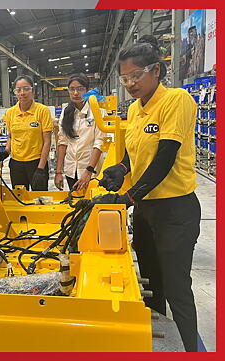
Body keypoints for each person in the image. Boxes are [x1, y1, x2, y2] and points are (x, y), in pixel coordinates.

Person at [95, 35, 201, 352]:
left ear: (156, 70)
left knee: (176, 286)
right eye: (125, 78)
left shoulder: (176, 101)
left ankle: (191, 349)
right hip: (146, 210)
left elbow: (165, 156)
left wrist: (129, 197)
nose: (129, 83)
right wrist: (121, 170)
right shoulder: (136, 111)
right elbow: (134, 154)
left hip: (175, 211)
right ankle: (163, 344)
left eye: (136, 75)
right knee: (151, 285)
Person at [54, 74, 107, 191]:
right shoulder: (66, 112)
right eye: (72, 89)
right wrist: (58, 172)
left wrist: (88, 171)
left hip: (91, 171)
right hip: (71, 170)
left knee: (90, 204)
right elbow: (62, 143)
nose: (76, 93)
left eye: (80, 89)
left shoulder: (98, 112)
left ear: (87, 90)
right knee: (75, 203)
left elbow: (99, 143)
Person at [2, 75, 53, 191]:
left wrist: (41, 168)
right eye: (18, 90)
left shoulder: (42, 111)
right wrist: (6, 150)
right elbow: (11, 135)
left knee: (40, 200)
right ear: (15, 93)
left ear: (32, 91)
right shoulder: (10, 113)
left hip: (36, 162)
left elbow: (47, 141)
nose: (22, 93)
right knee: (21, 199)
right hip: (16, 164)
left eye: (26, 89)